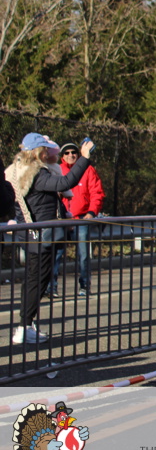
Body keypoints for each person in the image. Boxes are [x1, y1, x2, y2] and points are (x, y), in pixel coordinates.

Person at [6, 134, 96, 344]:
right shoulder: (36, 173)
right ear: (38, 152)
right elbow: (66, 181)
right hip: (40, 235)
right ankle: (24, 326)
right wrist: (84, 157)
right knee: (37, 280)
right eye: (45, 149)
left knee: (34, 279)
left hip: (32, 234)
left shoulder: (17, 170)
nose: (48, 153)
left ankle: (26, 324)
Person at [52, 142, 105, 297]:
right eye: (67, 153)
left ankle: (84, 285)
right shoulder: (57, 170)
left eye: (74, 152)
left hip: (81, 218)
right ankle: (51, 287)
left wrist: (92, 212)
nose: (71, 155)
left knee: (83, 254)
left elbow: (97, 192)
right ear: (62, 156)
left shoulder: (88, 170)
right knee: (56, 253)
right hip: (61, 219)